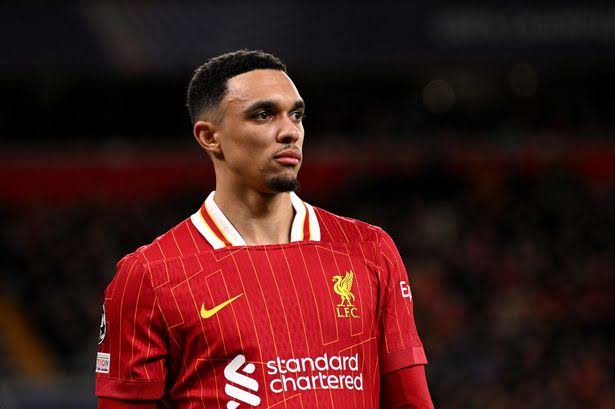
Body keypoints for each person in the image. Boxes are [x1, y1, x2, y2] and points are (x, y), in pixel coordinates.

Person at [95, 50, 434, 409]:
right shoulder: (149, 275)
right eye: (263, 114)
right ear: (210, 137)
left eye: (296, 115)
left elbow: (410, 402)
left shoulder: (369, 249)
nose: (290, 132)